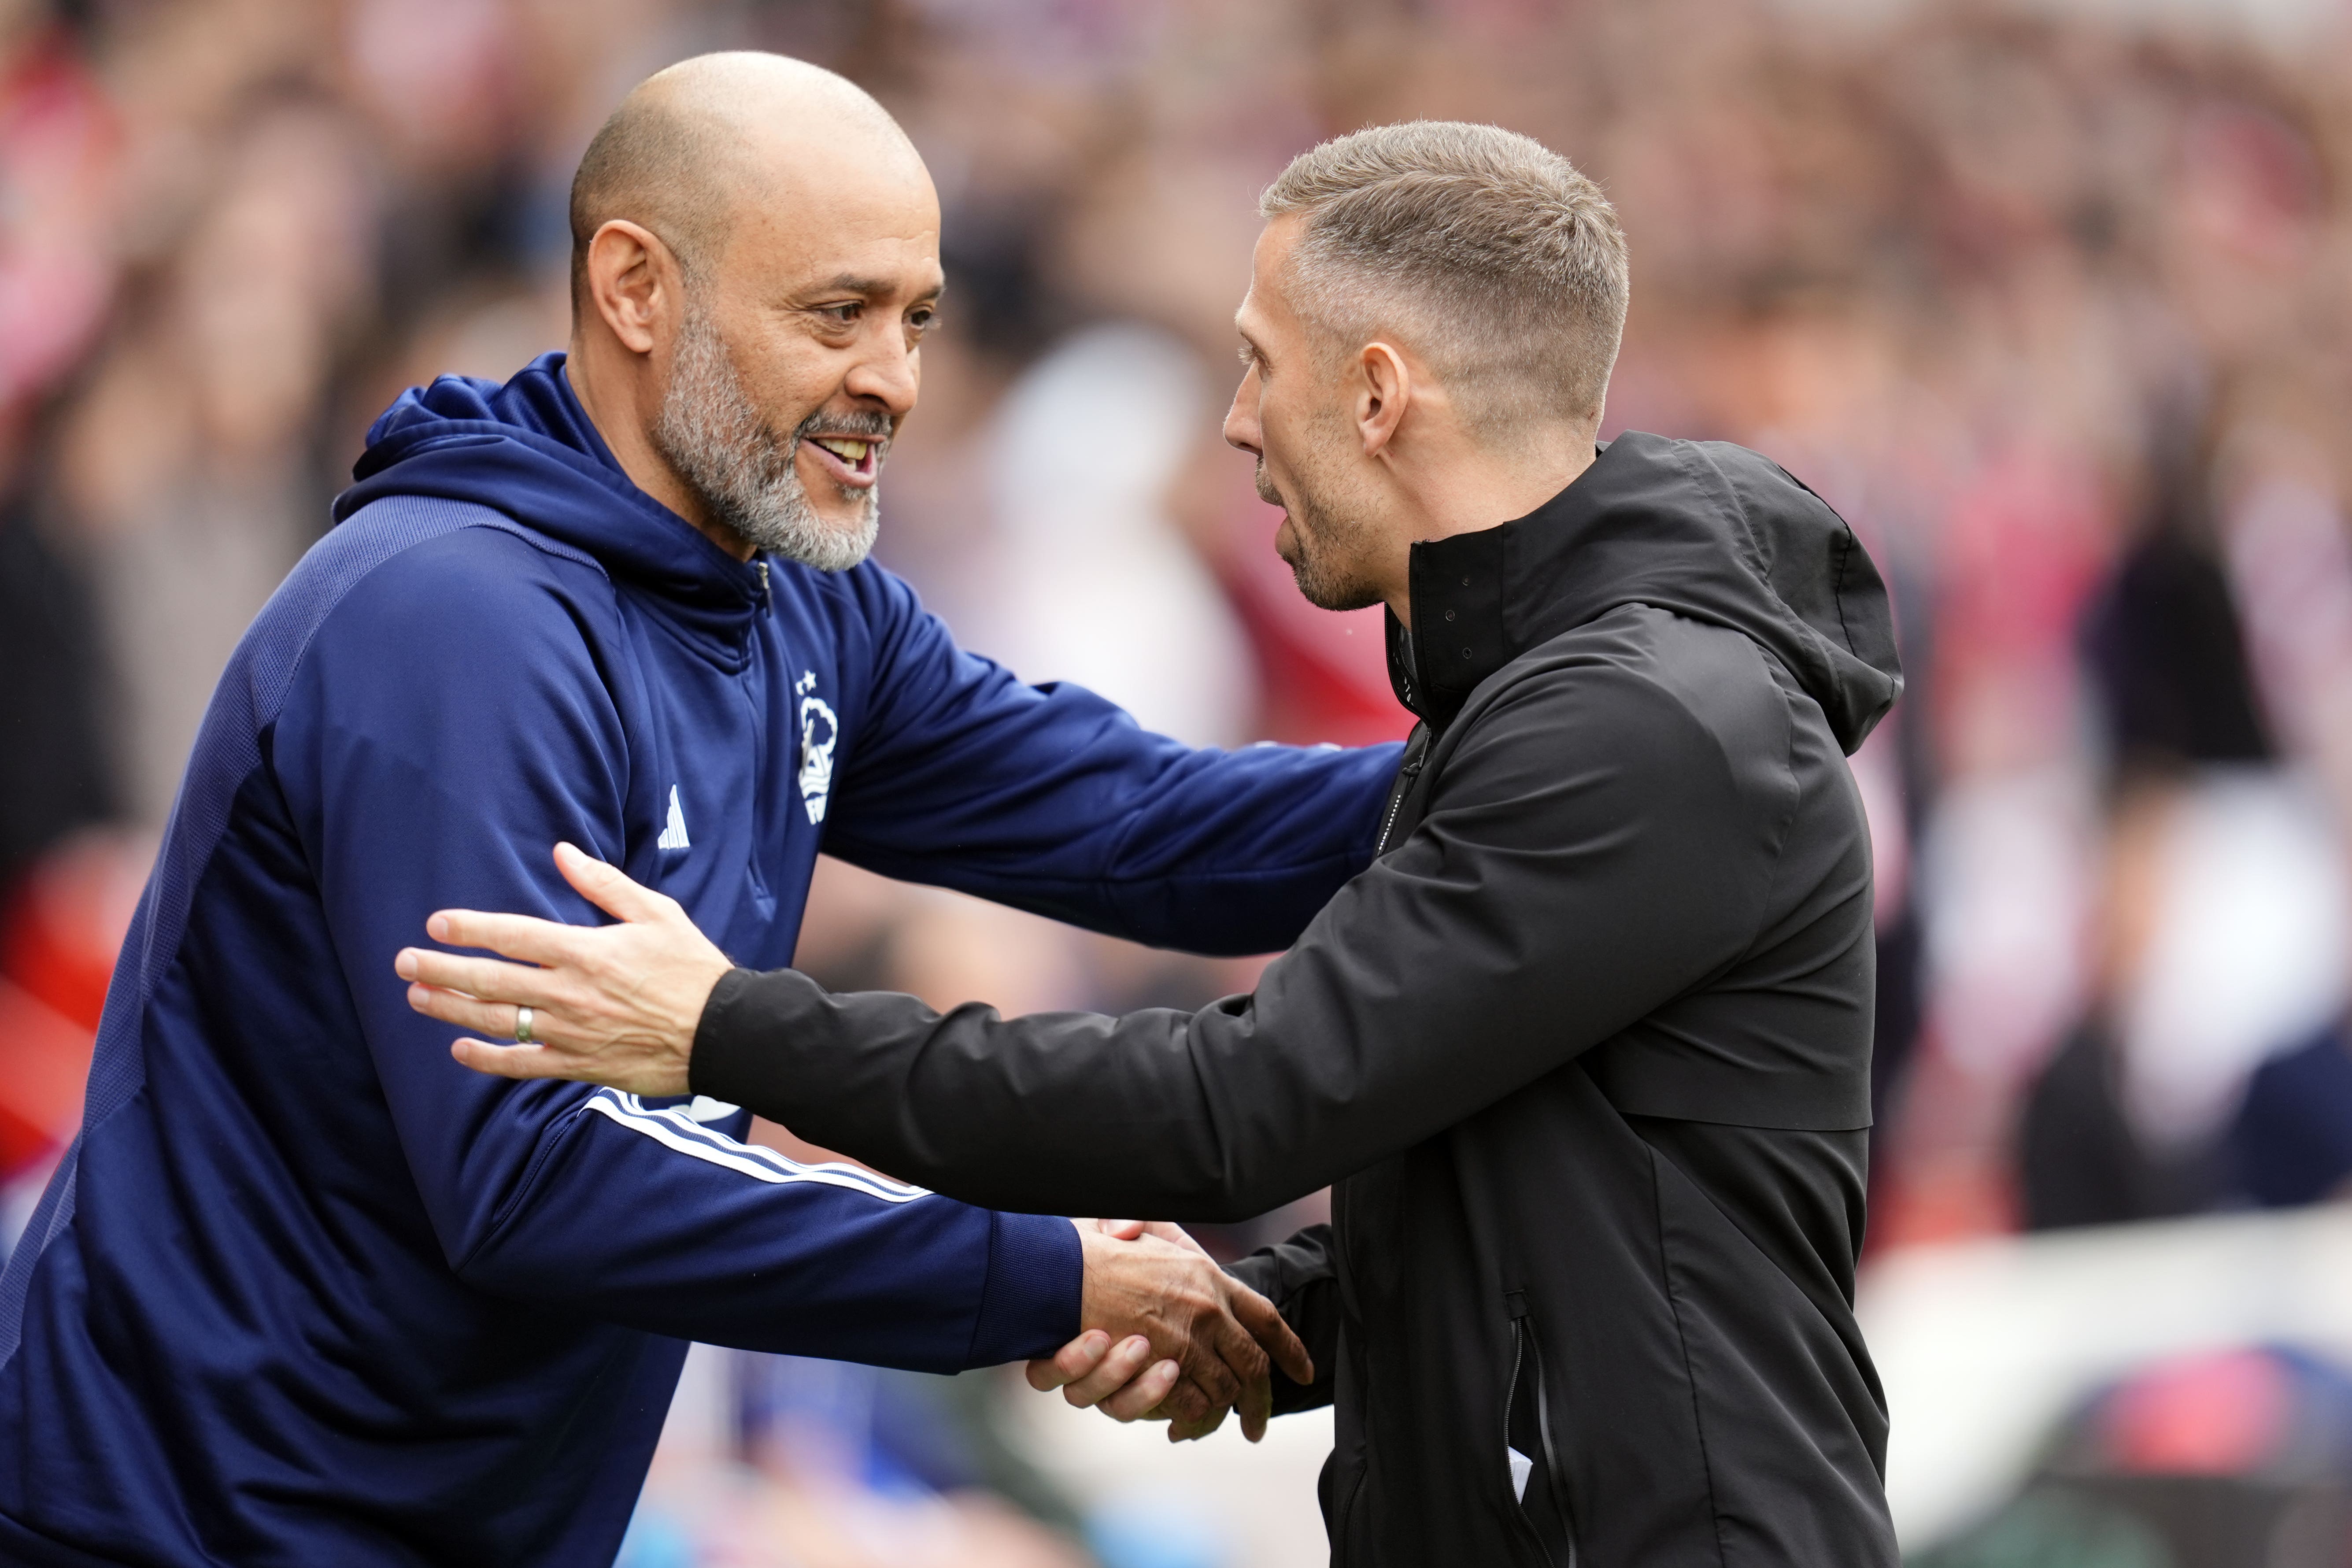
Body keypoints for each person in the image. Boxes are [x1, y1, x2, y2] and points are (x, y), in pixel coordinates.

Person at [411, 121, 1909, 1565]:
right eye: (844, 311)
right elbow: (1536, 1222)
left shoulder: (1637, 728)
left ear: (1377, 393)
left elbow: (1233, 1105)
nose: (1239, 419)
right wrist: (1258, 1318)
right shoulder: (1551, 717)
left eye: (1259, 364)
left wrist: (725, 1027)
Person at [0, 53, 1402, 1566]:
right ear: (633, 287)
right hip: (181, 1518)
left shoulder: (801, 600)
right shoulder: (456, 622)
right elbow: (538, 1173)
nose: (897, 377)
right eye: (836, 313)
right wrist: (1042, 1274)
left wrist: (1550, 743)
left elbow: (1153, 834)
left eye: (917, 318)